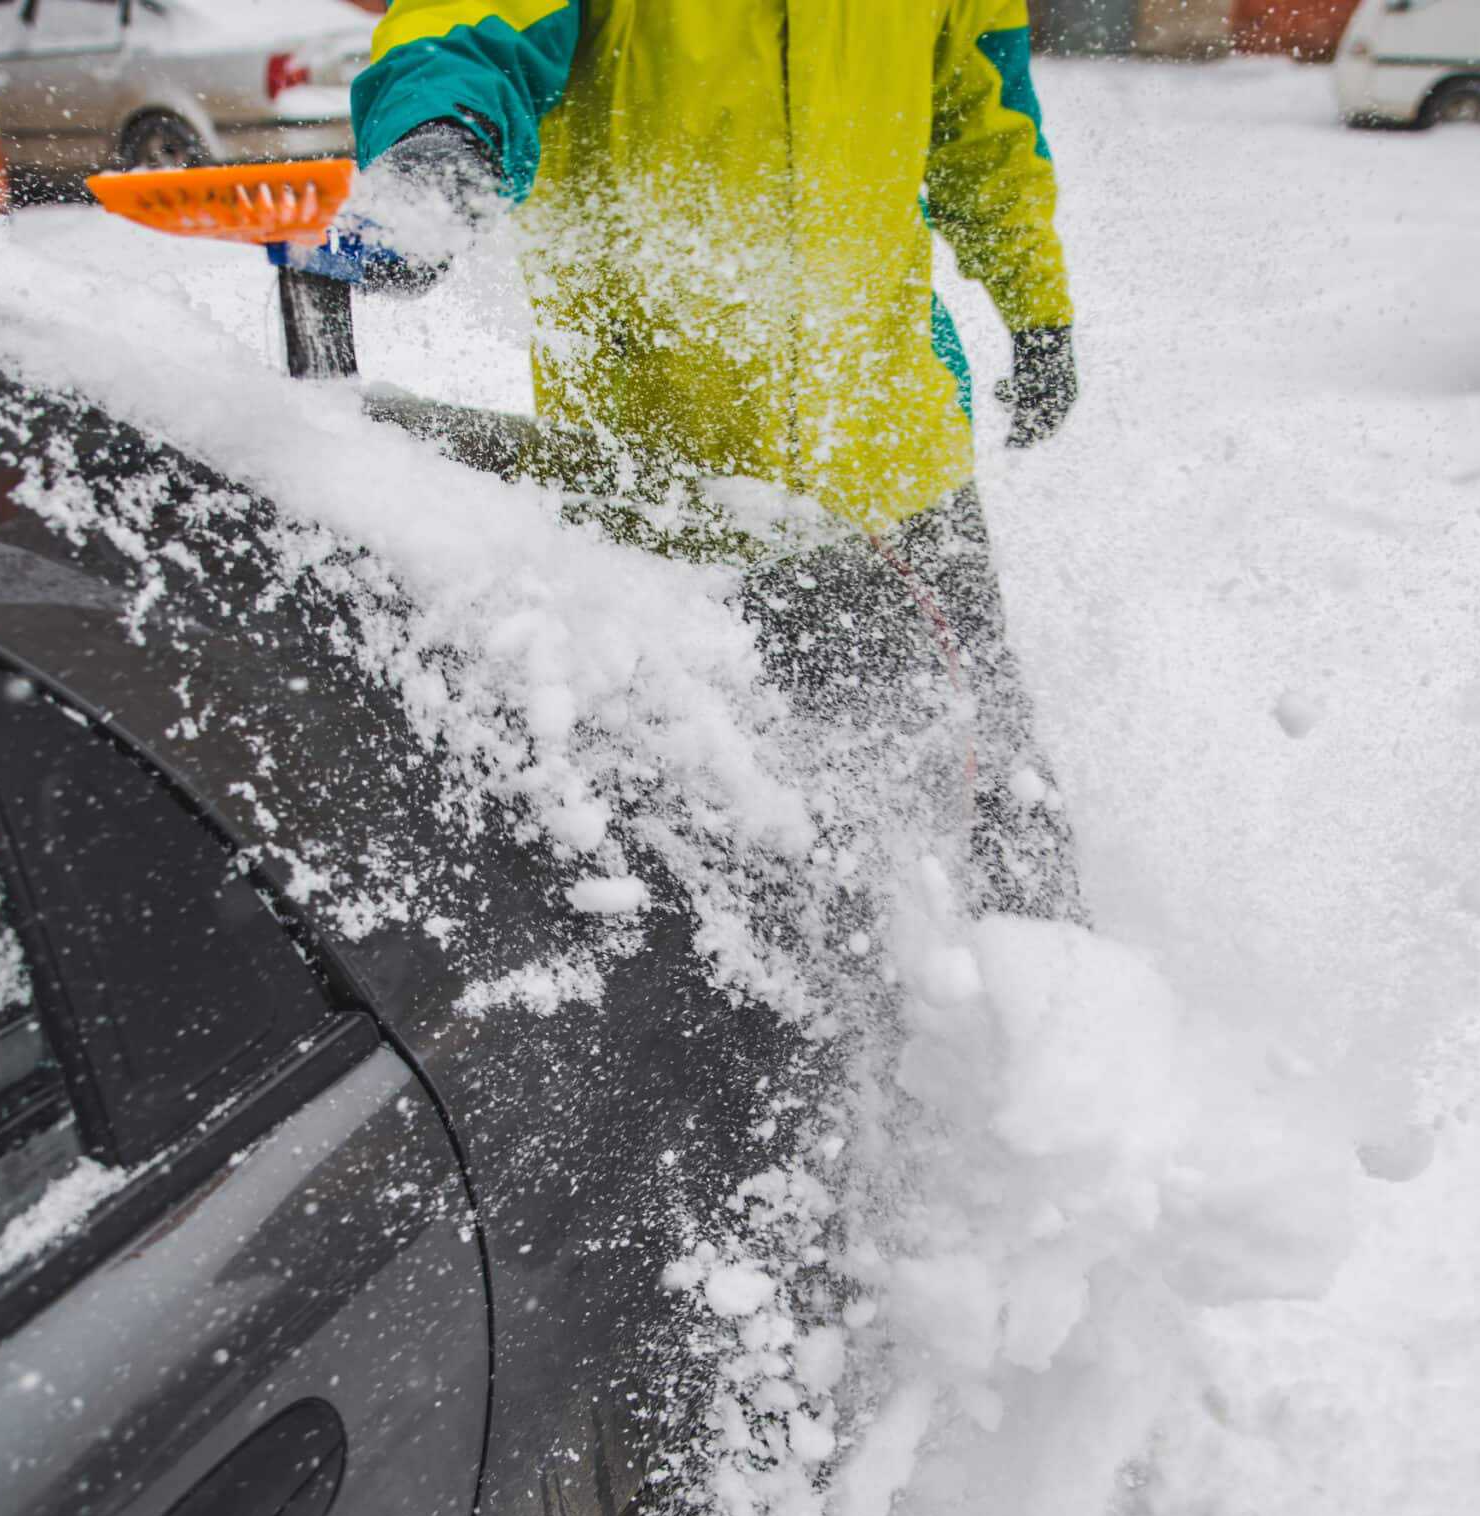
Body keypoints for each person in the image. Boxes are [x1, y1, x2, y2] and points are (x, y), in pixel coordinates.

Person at [348, 0, 1086, 920]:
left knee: (995, 806)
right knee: (734, 861)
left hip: (898, 466)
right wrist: (441, 129)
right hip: (667, 502)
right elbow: (463, 23)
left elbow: (986, 121)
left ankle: (1056, 984)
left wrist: (1037, 303)